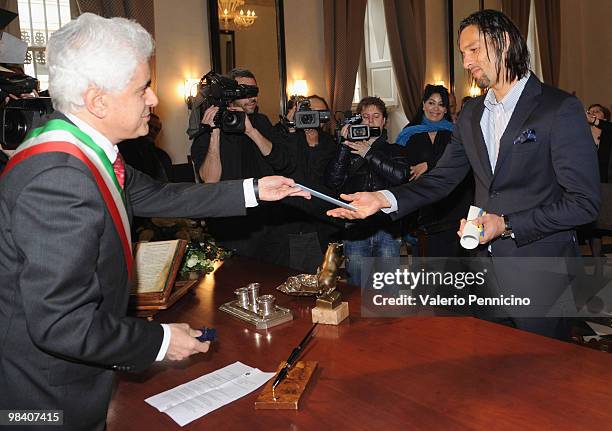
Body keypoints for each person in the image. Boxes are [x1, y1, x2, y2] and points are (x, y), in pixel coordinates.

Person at [0, 14, 308, 430]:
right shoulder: (59, 178)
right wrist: (161, 341)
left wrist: (255, 189)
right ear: (98, 100)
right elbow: (61, 323)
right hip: (45, 397)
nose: (152, 99)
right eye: (141, 87)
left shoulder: (82, 149)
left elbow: (160, 194)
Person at [327, 9, 600, 338]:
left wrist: (507, 224)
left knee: (545, 375)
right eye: (462, 53)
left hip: (542, 267)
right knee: (488, 370)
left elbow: (584, 203)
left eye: (474, 50)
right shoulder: (471, 114)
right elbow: (440, 180)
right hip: (484, 270)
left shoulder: (558, 108)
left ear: (505, 42)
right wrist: (383, 199)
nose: (467, 62)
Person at [190, 68, 295, 263]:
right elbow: (210, 179)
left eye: (254, 91)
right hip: (233, 226)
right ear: (230, 95)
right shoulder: (209, 127)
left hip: (271, 221)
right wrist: (215, 132)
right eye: (245, 92)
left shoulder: (261, 122)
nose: (252, 97)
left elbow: (282, 162)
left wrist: (251, 131)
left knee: (277, 281)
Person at [325, 96, 410, 286]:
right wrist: (344, 146)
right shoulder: (347, 150)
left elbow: (401, 176)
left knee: (389, 286)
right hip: (356, 228)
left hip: (388, 226)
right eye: (365, 116)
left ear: (384, 120)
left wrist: (368, 152)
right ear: (358, 120)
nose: (370, 121)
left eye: (376, 116)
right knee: (357, 284)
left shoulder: (395, 149)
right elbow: (332, 181)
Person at [397, 84, 473, 257]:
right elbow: (401, 167)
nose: (435, 108)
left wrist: (428, 165)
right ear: (423, 105)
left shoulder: (456, 133)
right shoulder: (408, 133)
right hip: (421, 206)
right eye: (431, 103)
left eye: (441, 104)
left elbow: (464, 161)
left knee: (453, 263)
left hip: (453, 205)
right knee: (424, 264)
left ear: (446, 109)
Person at [273, 94, 341, 272]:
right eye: (310, 112)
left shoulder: (328, 141)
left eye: (320, 113)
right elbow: (286, 171)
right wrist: (289, 127)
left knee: (321, 275)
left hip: (319, 221)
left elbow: (321, 181)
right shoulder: (284, 135)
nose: (313, 118)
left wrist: (314, 148)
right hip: (289, 219)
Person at [584, 103, 612, 275]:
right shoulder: (583, 135)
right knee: (593, 228)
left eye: (597, 112)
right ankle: (597, 263)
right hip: (591, 188)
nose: (592, 114)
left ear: (605, 117)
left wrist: (594, 121)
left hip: (609, 186)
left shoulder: (609, 132)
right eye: (590, 111)